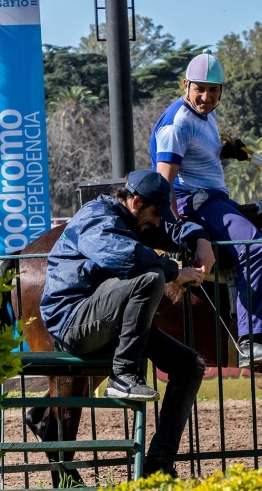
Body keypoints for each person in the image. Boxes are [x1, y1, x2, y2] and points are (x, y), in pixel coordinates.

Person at [40, 169, 215, 476]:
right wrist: (176, 271)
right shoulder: (96, 217)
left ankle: (158, 467)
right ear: (135, 201)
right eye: (154, 214)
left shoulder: (133, 217)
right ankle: (123, 375)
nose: (157, 222)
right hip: (73, 323)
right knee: (150, 277)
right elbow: (126, 258)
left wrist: (199, 238)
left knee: (190, 366)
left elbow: (169, 231)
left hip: (107, 322)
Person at [150, 49, 262, 368]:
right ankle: (250, 342)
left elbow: (200, 157)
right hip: (193, 204)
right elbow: (163, 185)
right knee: (254, 247)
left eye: (214, 90)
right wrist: (176, 231)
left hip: (214, 198)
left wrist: (225, 151)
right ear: (185, 85)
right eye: (199, 88)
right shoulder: (177, 124)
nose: (206, 96)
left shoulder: (206, 114)